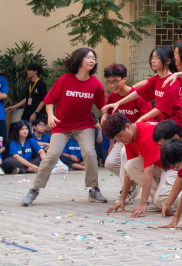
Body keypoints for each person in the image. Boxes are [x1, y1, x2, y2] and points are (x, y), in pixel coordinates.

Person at [21, 48, 108, 207]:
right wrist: (50, 115)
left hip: (84, 124)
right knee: (52, 154)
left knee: (89, 152)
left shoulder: (96, 84)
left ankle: (94, 189)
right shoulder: (64, 79)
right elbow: (49, 100)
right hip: (62, 124)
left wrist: (105, 116)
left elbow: (103, 106)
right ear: (79, 60)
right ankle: (34, 189)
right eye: (88, 57)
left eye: (93, 58)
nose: (92, 60)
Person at [102, 113, 182, 217]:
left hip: (173, 166)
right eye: (117, 138)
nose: (120, 140)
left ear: (128, 126)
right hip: (160, 165)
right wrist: (123, 198)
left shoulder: (146, 134)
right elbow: (129, 172)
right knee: (130, 165)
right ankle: (161, 197)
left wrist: (142, 203)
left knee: (161, 200)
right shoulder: (129, 138)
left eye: (120, 136)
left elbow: (148, 171)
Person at [102, 47, 182, 135]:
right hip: (167, 122)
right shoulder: (157, 78)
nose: (153, 61)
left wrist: (140, 119)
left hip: (179, 122)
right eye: (152, 58)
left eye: (157, 58)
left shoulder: (171, 82)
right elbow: (139, 92)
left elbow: (160, 108)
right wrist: (118, 103)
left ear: (167, 61)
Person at [102, 63, 153, 202]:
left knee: (126, 155)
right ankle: (134, 180)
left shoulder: (138, 96)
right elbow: (113, 123)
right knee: (110, 163)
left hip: (139, 137)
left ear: (124, 79)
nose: (113, 85)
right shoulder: (112, 97)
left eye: (116, 81)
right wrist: (112, 143)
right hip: (121, 138)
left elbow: (150, 121)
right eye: (109, 82)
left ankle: (127, 191)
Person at [0, 74, 8, 144]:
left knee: (3, 140)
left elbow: (4, 95)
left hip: (0, 116)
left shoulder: (2, 79)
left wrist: (1, 95)